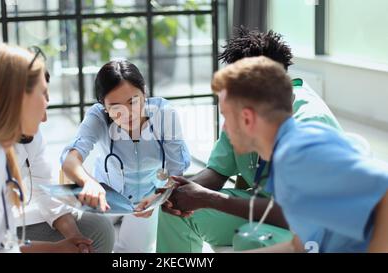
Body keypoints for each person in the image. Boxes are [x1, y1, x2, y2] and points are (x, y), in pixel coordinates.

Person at [157, 26, 342, 253]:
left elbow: (300, 212)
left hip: (312, 224)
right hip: (257, 206)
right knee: (175, 211)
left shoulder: (309, 127)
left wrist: (211, 199)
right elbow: (217, 171)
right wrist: (177, 193)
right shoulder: (243, 110)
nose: (225, 125)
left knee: (253, 239)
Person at [211, 56, 388, 252]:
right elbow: (300, 246)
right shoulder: (285, 156)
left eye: (225, 116)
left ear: (246, 118)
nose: (225, 127)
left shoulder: (297, 153)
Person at [0, 70, 115, 254]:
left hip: (2, 231)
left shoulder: (22, 135)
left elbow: (45, 190)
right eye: (41, 100)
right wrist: (54, 249)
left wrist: (75, 240)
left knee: (98, 229)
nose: (45, 118)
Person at [60, 60, 190, 253]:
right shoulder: (97, 116)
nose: (128, 113)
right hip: (106, 195)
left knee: (133, 255)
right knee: (92, 245)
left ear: (144, 93)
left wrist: (158, 196)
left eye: (133, 101)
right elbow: (70, 160)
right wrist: (88, 182)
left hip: (146, 199)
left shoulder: (164, 114)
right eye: (114, 106)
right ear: (103, 105)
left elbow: (176, 167)